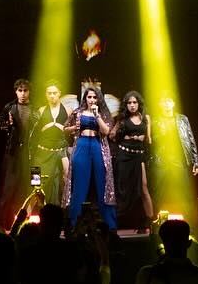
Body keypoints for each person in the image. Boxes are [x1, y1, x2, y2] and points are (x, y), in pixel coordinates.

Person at [64, 85, 119, 232]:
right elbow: (65, 128)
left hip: (97, 146)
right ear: (85, 98)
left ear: (99, 99)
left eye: (95, 97)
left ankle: (109, 224)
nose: (92, 100)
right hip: (82, 145)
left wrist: (97, 115)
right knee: (79, 185)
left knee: (103, 185)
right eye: (89, 97)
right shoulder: (78, 112)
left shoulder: (103, 113)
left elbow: (106, 131)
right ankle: (74, 223)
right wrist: (73, 128)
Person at [0, 78, 35, 230]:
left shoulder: (35, 108)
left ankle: (28, 225)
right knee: (8, 189)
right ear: (16, 92)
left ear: (29, 92)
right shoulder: (10, 107)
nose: (22, 93)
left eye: (25, 90)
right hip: (13, 153)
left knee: (28, 188)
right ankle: (1, 224)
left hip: (29, 152)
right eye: (20, 90)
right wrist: (8, 124)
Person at [111, 90, 155, 231]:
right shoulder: (122, 119)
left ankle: (150, 221)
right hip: (124, 155)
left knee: (143, 187)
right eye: (129, 103)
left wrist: (143, 138)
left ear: (138, 103)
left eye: (134, 102)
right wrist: (123, 136)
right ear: (126, 105)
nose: (132, 105)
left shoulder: (146, 118)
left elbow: (149, 139)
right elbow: (111, 135)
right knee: (123, 189)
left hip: (139, 156)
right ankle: (116, 222)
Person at [150, 93, 198, 213]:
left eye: (169, 101)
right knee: (158, 193)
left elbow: (190, 139)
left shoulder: (182, 119)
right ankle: (156, 219)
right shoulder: (155, 120)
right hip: (160, 160)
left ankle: (188, 218)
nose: (166, 104)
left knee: (184, 191)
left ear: (173, 103)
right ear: (160, 105)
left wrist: (196, 161)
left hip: (178, 160)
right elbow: (151, 141)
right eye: (163, 101)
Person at [29, 79, 73, 215]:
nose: (52, 95)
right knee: (35, 182)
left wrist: (66, 129)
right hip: (41, 152)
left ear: (59, 93)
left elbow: (74, 130)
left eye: (54, 93)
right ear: (46, 94)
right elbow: (32, 132)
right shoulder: (41, 110)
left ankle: (62, 215)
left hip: (60, 151)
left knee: (64, 182)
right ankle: (30, 215)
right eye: (49, 93)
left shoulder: (68, 110)